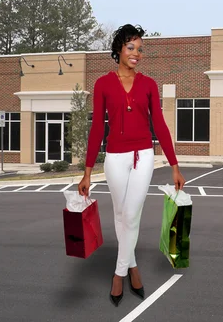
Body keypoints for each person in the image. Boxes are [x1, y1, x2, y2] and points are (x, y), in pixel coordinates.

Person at [78, 24, 185, 307]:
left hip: (144, 156)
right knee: (121, 213)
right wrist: (87, 171)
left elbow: (159, 125)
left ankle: (118, 273)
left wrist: (174, 164)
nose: (137, 53)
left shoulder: (149, 84)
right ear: (118, 50)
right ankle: (133, 266)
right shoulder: (102, 84)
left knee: (132, 214)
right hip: (114, 157)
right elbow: (97, 130)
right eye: (131, 48)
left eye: (140, 49)